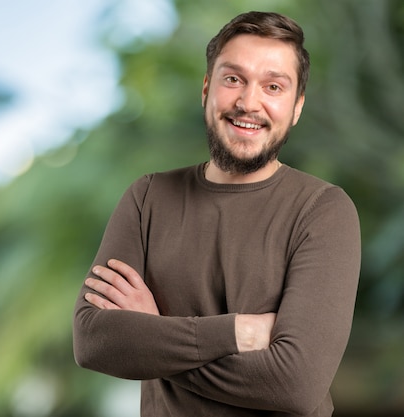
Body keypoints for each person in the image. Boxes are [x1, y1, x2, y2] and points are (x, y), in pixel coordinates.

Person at [72, 11, 361, 417]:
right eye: (233, 79)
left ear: (296, 107)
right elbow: (92, 341)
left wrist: (154, 339)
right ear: (206, 88)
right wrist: (236, 332)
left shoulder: (323, 210)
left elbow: (296, 384)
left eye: (273, 86)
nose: (248, 102)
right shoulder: (148, 197)